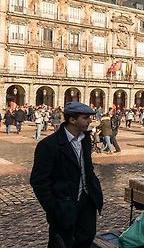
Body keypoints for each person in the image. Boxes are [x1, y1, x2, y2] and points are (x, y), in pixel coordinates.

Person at [30, 102, 103, 248]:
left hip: (86, 200)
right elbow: (39, 181)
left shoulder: (85, 140)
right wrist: (52, 207)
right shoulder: (49, 145)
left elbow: (87, 167)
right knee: (61, 242)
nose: (90, 121)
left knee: (87, 237)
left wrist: (94, 189)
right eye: (85, 117)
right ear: (72, 120)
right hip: (63, 202)